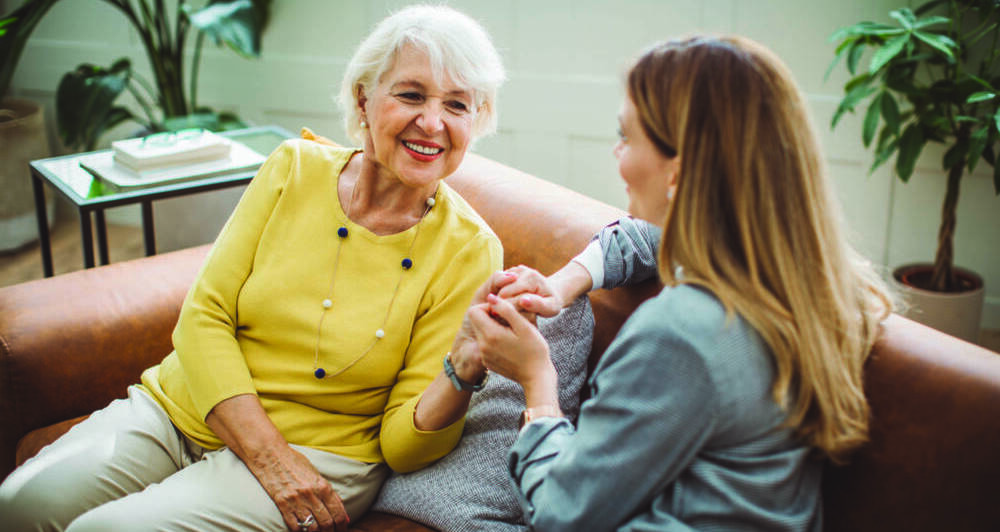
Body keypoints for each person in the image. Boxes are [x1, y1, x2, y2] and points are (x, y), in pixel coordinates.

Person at [0, 5, 504, 532]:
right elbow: (203, 315)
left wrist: (463, 371)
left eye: (457, 104)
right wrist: (266, 453)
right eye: (411, 94)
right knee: (19, 502)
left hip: (320, 452)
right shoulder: (293, 167)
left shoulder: (469, 250)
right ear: (363, 97)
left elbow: (402, 447)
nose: (432, 122)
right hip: (188, 405)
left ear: (477, 120)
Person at [466, 35, 894, 531]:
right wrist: (563, 285)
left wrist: (538, 385)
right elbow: (648, 237)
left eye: (627, 137)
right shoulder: (805, 276)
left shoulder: (682, 333)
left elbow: (563, 513)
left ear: (680, 169)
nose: (617, 154)